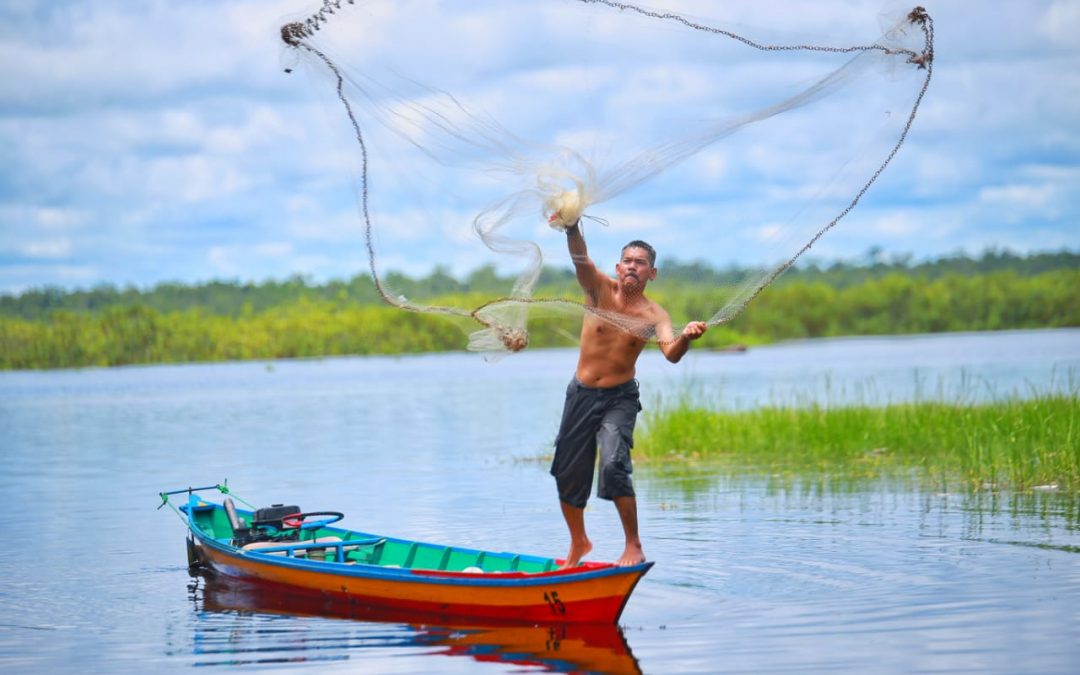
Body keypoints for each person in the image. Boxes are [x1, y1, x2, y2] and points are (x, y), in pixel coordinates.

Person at [551, 220, 708, 567]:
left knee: (613, 463)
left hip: (619, 398)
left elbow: (671, 353)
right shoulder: (597, 290)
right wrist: (571, 226)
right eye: (627, 261)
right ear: (618, 267)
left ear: (652, 273)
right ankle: (579, 543)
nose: (632, 267)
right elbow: (580, 258)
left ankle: (633, 545)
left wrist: (686, 337)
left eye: (640, 263)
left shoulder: (655, 315)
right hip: (581, 393)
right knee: (567, 470)